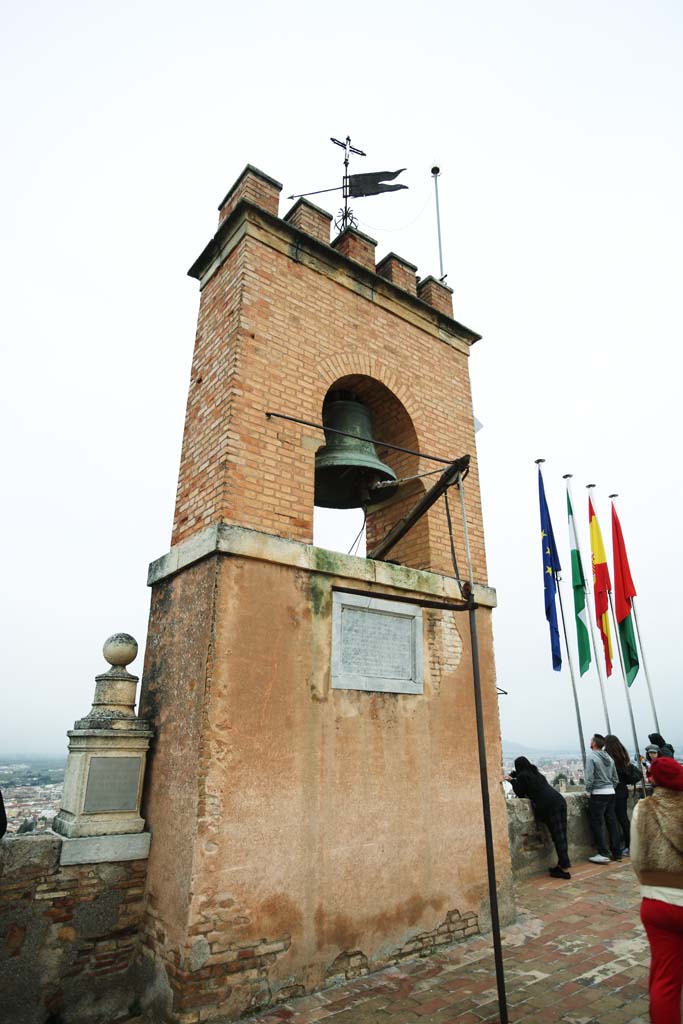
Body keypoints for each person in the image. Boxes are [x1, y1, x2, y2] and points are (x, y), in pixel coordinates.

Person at [631, 755, 683, 1024]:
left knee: (665, 981)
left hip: (658, 902)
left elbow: (637, 858)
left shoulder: (643, 809)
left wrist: (650, 884)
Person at [505, 756, 571, 879]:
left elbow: (520, 792)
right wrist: (514, 776)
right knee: (561, 836)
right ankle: (562, 864)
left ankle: (564, 868)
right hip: (559, 800)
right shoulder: (536, 774)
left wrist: (512, 781)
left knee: (558, 837)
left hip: (550, 805)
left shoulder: (522, 777)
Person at [585, 733, 622, 864]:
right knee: (611, 823)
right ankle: (617, 853)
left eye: (591, 740)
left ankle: (602, 853)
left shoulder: (591, 757)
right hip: (610, 792)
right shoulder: (609, 758)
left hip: (598, 793)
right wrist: (610, 787)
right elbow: (615, 779)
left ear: (594, 743)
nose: (590, 742)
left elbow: (589, 777)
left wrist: (589, 790)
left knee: (597, 823)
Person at [604, 734, 640, 856]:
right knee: (623, 819)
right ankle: (630, 846)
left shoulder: (608, 758)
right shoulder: (622, 755)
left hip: (612, 791)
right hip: (622, 791)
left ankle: (620, 847)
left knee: (614, 820)